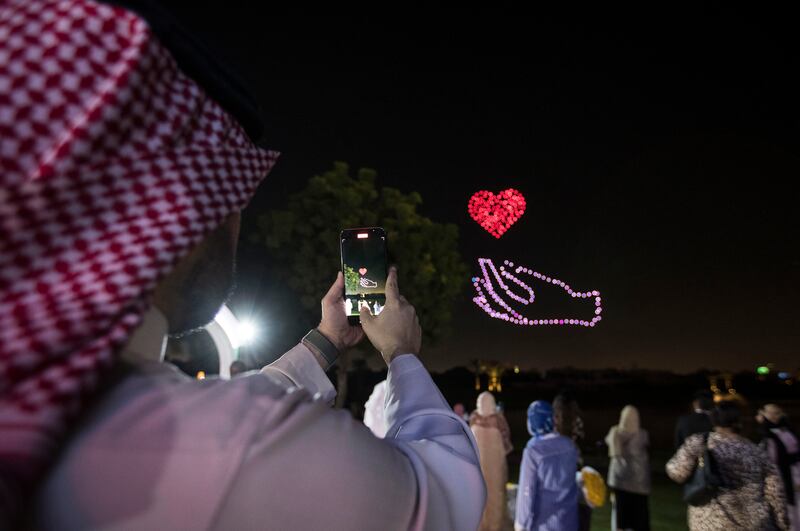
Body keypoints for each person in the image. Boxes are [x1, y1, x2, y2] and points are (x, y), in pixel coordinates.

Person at [0, 2, 486, 528]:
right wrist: (400, 354)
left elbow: (223, 407)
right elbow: (446, 494)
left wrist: (322, 342)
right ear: (171, 208)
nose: (235, 224)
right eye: (227, 200)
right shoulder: (227, 449)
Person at [667, 401, 789, 530]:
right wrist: (782, 523)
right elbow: (775, 491)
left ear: (713, 421)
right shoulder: (756, 451)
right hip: (753, 522)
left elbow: (677, 473)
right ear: (738, 422)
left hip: (710, 521)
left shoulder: (699, 443)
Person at [515, 400, 578, 531]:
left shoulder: (533, 452)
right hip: (568, 521)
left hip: (544, 523)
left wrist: (521, 522)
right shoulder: (570, 445)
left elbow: (526, 491)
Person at [470, 391, 513, 531]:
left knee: (479, 497)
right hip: (496, 468)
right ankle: (495, 526)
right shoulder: (499, 420)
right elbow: (507, 445)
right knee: (496, 496)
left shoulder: (473, 419)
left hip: (478, 468)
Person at [605, 405, 651, 531]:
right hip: (640, 484)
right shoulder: (643, 435)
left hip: (620, 483)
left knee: (620, 520)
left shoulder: (615, 433)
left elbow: (608, 441)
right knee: (639, 519)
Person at [757, 404, 800, 529]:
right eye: (772, 413)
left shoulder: (786, 430)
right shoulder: (765, 434)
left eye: (778, 413)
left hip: (792, 472)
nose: (776, 416)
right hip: (779, 475)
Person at [553, 392, 590, 530]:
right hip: (575, 464)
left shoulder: (555, 422)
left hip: (561, 465)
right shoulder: (577, 420)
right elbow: (581, 438)